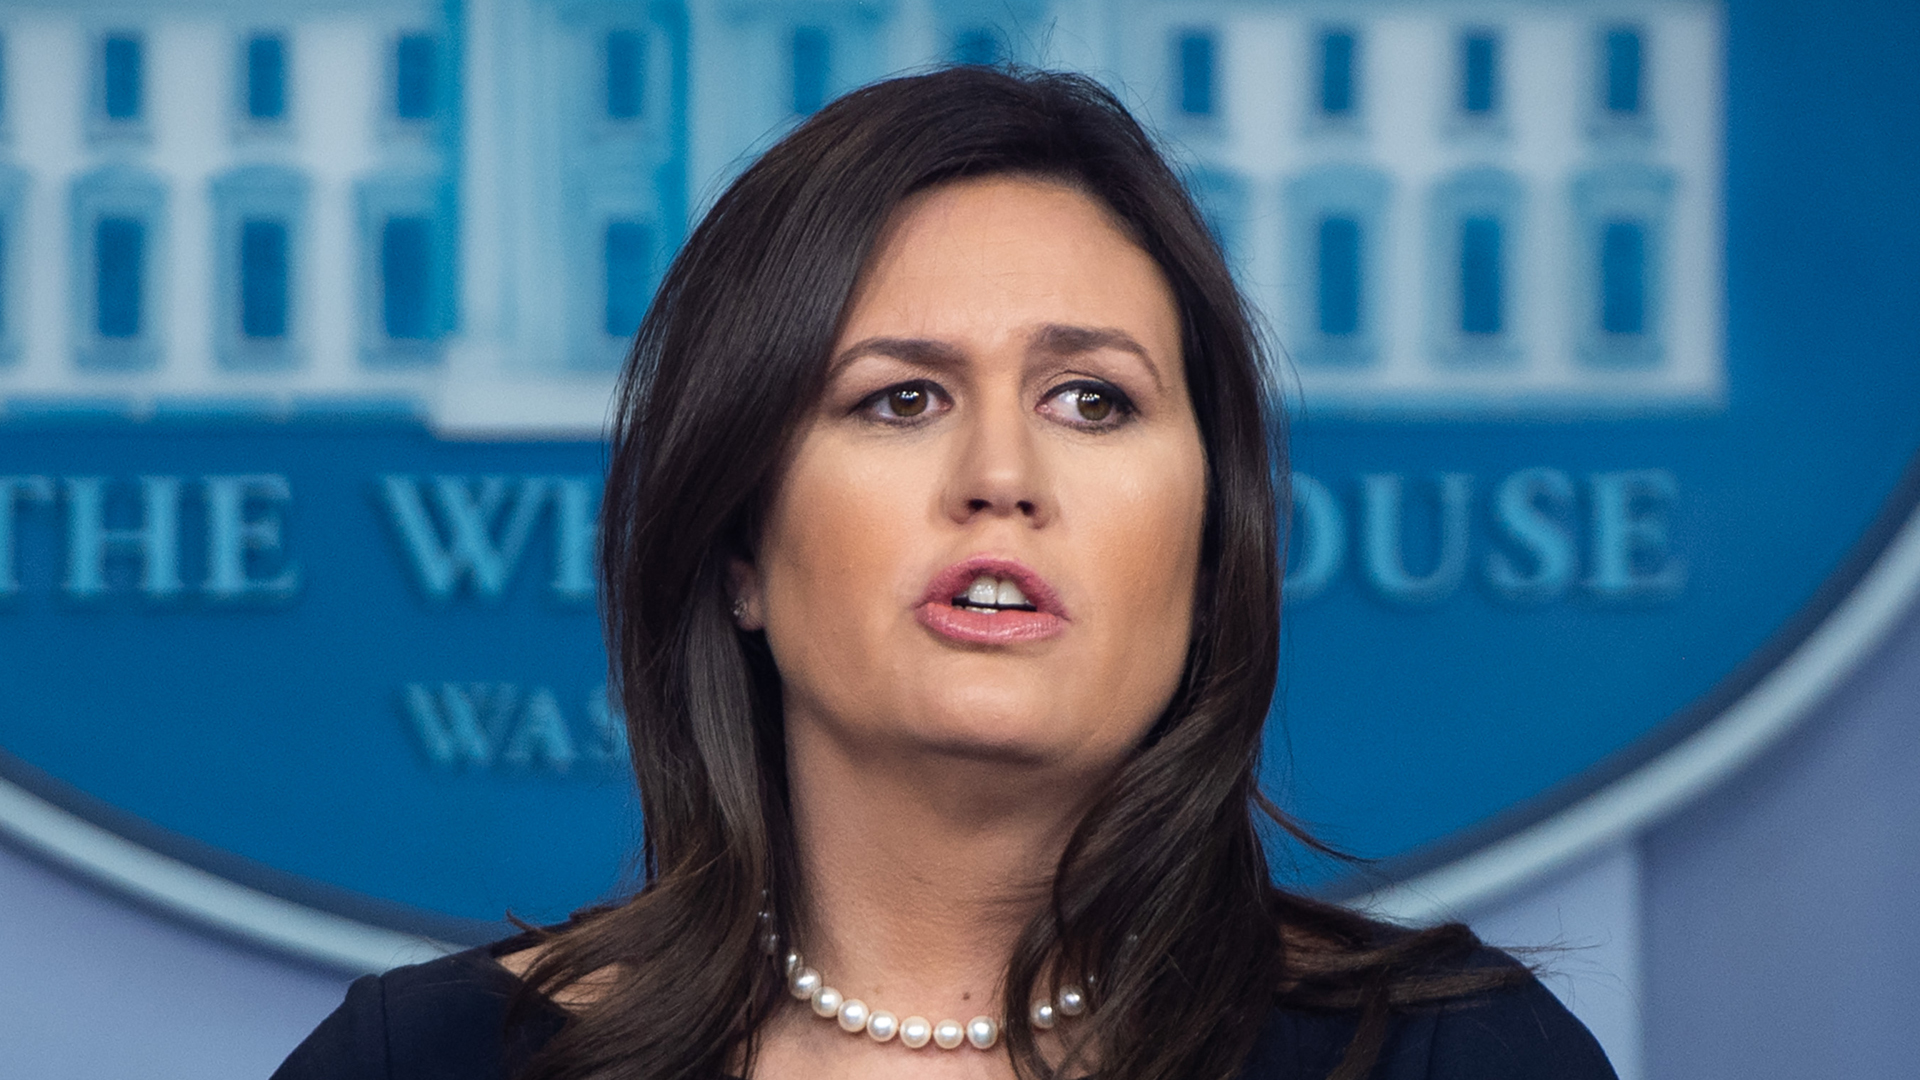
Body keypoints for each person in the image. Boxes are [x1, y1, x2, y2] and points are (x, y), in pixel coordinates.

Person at [274, 66, 1615, 1080]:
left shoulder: (1458, 1060)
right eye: (901, 399)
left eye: (1091, 401)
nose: (1001, 473)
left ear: (1211, 546)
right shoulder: (429, 1063)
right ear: (740, 542)